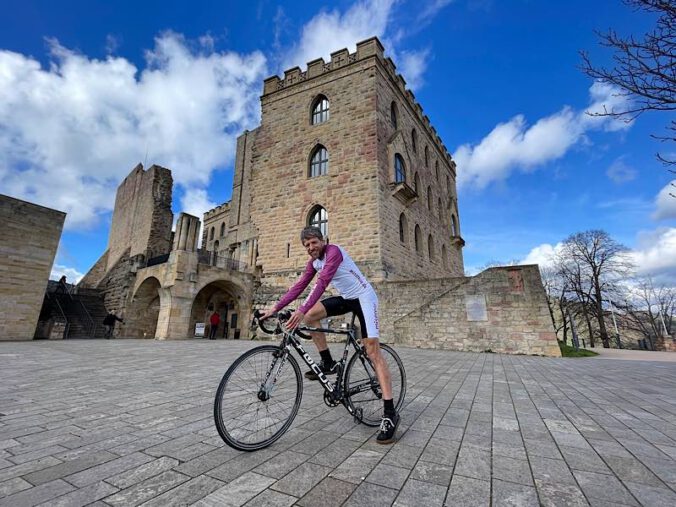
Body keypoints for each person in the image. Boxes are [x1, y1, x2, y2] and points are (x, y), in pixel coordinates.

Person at [261, 226, 399, 444]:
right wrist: (274, 308)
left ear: (323, 240)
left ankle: (390, 413)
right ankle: (328, 362)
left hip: (364, 298)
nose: (311, 247)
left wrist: (301, 309)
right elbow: (298, 287)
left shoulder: (334, 252)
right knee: (310, 318)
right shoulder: (314, 262)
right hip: (346, 298)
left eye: (314, 242)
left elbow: (322, 283)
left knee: (373, 352)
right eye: (306, 245)